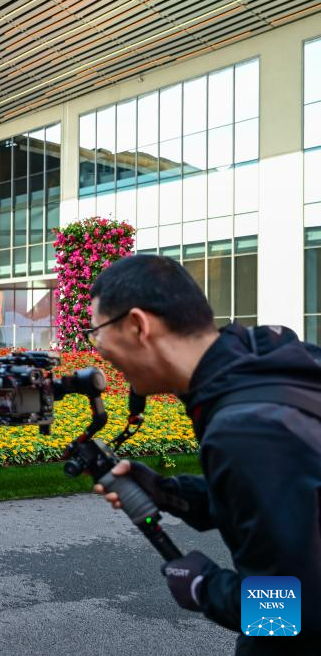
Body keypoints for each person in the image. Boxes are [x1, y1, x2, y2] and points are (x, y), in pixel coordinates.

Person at [87, 254, 321, 654]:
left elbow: (294, 615)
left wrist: (204, 586)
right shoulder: (263, 360)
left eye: (98, 333)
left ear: (138, 325)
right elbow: (285, 499)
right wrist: (170, 493)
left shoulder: (245, 428)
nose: (99, 350)